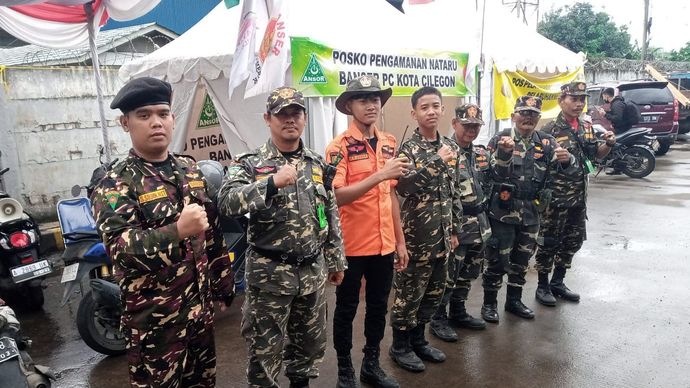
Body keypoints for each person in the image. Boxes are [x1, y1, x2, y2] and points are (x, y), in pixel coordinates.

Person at [91, 77, 234, 388]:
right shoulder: (115, 183)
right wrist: (177, 230)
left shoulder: (190, 169)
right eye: (144, 115)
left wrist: (224, 282)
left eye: (163, 113)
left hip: (198, 314)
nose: (156, 122)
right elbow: (121, 250)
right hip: (154, 324)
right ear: (125, 122)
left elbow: (211, 232)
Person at [217, 87, 347, 388]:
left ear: (304, 117)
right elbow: (226, 202)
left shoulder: (315, 162)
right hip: (270, 276)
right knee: (265, 353)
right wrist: (270, 184)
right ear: (268, 118)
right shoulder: (250, 163)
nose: (290, 120)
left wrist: (336, 258)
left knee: (309, 349)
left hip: (312, 273)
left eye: (296, 113)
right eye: (282, 114)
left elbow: (328, 210)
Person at [325, 75, 410, 388]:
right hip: (352, 245)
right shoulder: (339, 148)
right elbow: (335, 196)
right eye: (363, 99)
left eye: (375, 99)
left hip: (385, 244)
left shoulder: (388, 142)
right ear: (350, 106)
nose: (371, 104)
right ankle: (345, 369)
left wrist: (400, 242)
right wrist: (379, 175)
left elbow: (390, 195)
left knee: (378, 306)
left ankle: (371, 364)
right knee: (346, 309)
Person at [389, 86, 464, 372]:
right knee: (410, 294)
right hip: (417, 237)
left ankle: (418, 341)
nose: (431, 111)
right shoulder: (409, 149)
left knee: (434, 292)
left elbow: (454, 190)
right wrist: (436, 161)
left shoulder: (450, 147)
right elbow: (404, 187)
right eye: (424, 107)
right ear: (414, 113)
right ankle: (400, 346)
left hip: (444, 237)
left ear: (443, 109)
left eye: (436, 106)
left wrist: (455, 229)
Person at [481, 96, 573, 323]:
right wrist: (504, 154)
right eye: (523, 113)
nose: (528, 118)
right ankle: (489, 303)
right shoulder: (499, 140)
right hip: (503, 212)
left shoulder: (547, 142)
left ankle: (514, 301)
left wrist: (567, 160)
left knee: (522, 260)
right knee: (497, 260)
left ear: (538, 119)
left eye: (533, 115)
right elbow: (493, 174)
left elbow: (563, 174)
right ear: (514, 117)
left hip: (532, 213)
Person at [535, 82, 615, 306]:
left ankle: (558, 282)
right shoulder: (549, 130)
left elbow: (595, 157)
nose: (579, 104)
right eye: (574, 99)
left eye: (582, 99)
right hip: (556, 199)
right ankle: (542, 286)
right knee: (548, 242)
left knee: (572, 241)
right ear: (561, 101)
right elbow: (539, 166)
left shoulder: (587, 127)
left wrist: (608, 144)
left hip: (579, 197)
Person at [430, 103, 492, 342]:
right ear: (455, 123)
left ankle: (458, 312)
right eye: (467, 125)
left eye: (476, 126)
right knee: (448, 275)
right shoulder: (445, 153)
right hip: (456, 226)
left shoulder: (480, 154)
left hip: (479, 224)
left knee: (468, 273)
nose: (471, 130)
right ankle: (438, 318)